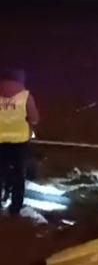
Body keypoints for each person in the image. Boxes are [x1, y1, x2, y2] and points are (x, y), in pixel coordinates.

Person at [0, 70, 38, 215]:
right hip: (20, 142)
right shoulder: (26, 96)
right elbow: (34, 119)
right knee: (18, 175)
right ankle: (15, 208)